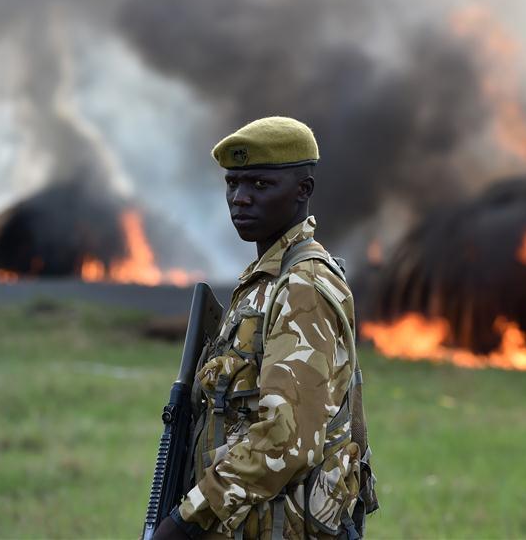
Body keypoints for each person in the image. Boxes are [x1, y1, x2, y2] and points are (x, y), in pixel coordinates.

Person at [154, 116, 370, 540]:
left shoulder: (302, 284)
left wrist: (187, 519)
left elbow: (286, 440)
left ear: (303, 191)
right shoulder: (265, 281)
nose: (240, 198)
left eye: (260, 185)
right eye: (233, 184)